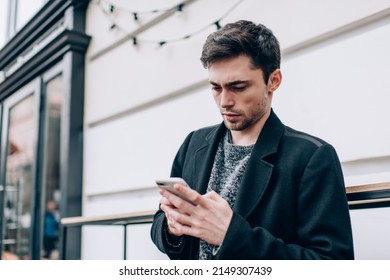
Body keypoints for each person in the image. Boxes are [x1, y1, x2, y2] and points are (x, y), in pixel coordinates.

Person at [150, 20, 354, 260]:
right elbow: (159, 224)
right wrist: (174, 227)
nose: (224, 101)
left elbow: (333, 263)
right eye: (216, 88)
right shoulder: (194, 144)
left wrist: (231, 236)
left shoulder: (312, 157)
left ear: (274, 81)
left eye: (238, 87)